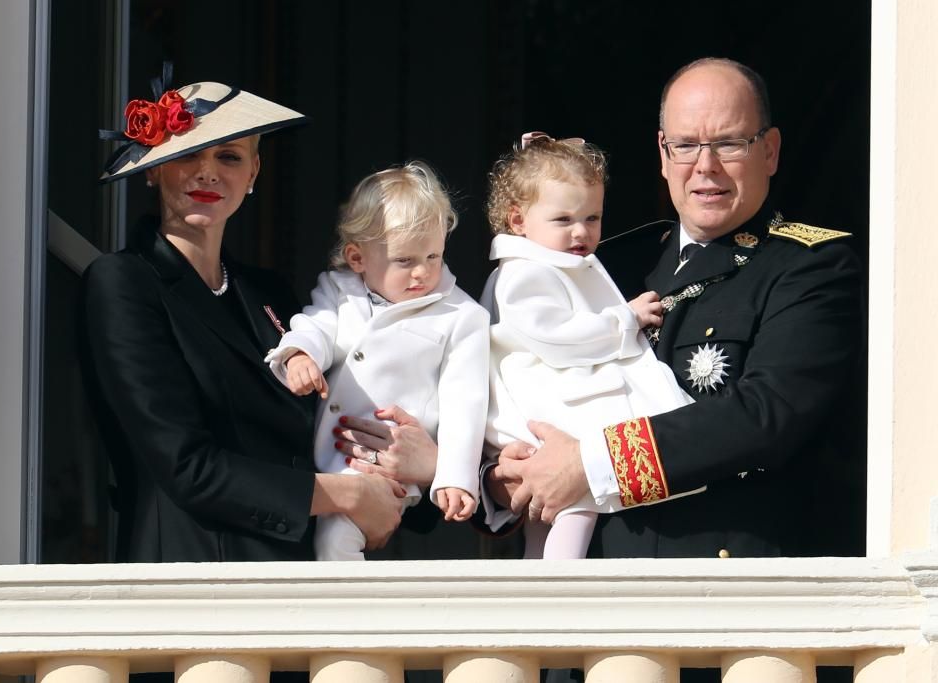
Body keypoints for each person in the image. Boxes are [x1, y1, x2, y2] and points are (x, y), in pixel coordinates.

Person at [486, 57, 863, 560]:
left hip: (720, 592)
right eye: (686, 145)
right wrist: (498, 475)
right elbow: (507, 362)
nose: (705, 167)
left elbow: (765, 416)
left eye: (729, 143)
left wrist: (591, 464)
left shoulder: (811, 266)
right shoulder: (601, 262)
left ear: (769, 151)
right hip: (581, 588)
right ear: (663, 154)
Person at [80, 68, 408, 569]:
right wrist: (347, 495)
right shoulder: (122, 283)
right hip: (193, 583)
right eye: (188, 153)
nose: (208, 172)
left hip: (299, 577)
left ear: (253, 174)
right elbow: (187, 468)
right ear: (153, 169)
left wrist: (420, 466)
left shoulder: (268, 293)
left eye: (229, 157)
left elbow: (328, 429)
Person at [481, 132, 694, 559]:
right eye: (563, 220)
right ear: (518, 220)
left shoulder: (553, 264)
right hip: (548, 408)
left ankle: (540, 585)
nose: (581, 232)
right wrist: (624, 320)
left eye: (592, 218)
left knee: (550, 512)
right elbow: (559, 339)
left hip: (556, 399)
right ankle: (561, 588)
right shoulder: (523, 273)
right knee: (578, 499)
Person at [266, 161, 490, 561]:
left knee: (335, 540)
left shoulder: (462, 315)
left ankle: (346, 620)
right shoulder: (339, 290)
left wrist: (455, 477)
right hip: (321, 455)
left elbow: (465, 404)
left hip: (386, 466)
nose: (422, 272)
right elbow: (316, 326)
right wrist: (299, 354)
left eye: (433, 256)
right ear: (357, 257)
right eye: (404, 261)